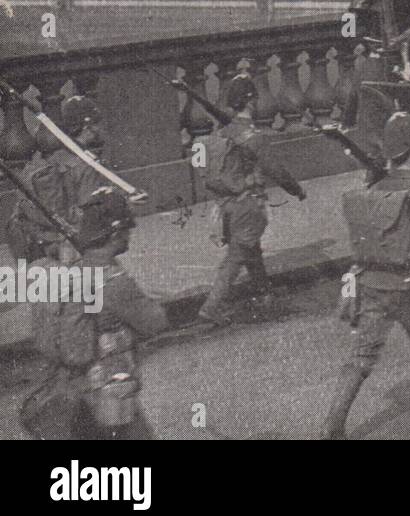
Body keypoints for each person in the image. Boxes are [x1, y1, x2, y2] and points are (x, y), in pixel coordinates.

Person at [323, 112, 410, 438]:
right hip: (406, 288)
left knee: (361, 357)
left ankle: (332, 426)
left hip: (369, 284)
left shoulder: (371, 188)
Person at [21, 188, 168, 440]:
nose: (129, 236)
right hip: (109, 383)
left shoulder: (75, 270)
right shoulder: (111, 279)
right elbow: (156, 322)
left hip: (75, 382)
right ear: (115, 233)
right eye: (126, 230)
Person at [198, 72, 306, 327]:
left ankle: (264, 294)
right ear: (250, 102)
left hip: (226, 205)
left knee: (251, 250)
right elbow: (275, 170)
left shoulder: (221, 134)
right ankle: (211, 307)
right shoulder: (251, 136)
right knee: (236, 257)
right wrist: (296, 190)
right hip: (248, 204)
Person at [6, 95, 106, 264]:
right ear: (89, 127)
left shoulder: (45, 157)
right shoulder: (83, 165)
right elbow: (85, 217)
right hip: (59, 247)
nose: (101, 128)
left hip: (25, 241)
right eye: (98, 123)